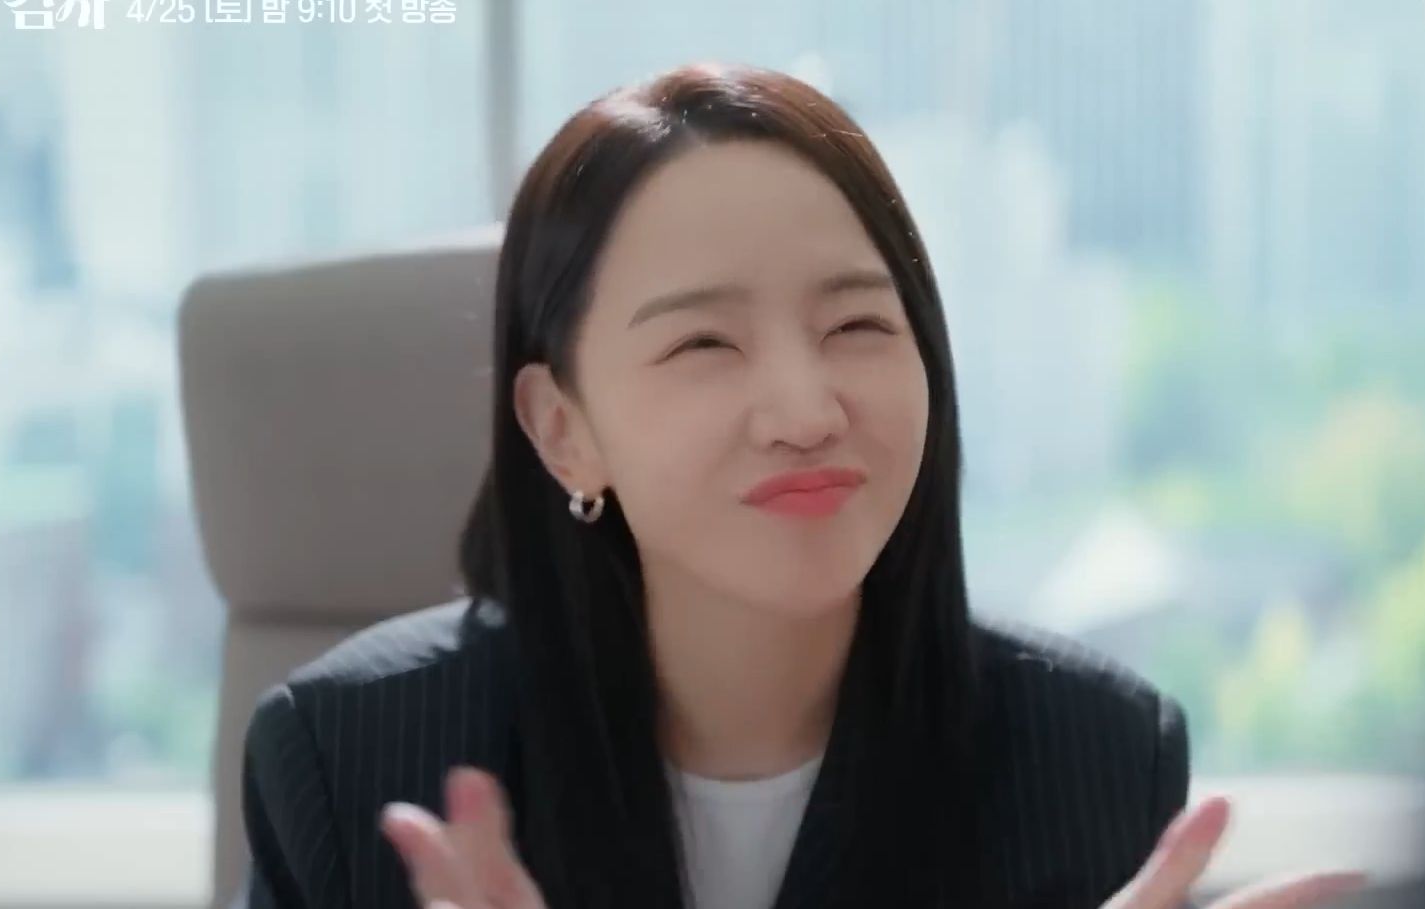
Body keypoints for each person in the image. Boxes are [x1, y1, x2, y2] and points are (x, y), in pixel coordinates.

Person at [237, 62, 1365, 909]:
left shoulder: (1094, 758)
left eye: (857, 325)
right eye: (704, 344)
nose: (806, 410)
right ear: (562, 430)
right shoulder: (349, 763)